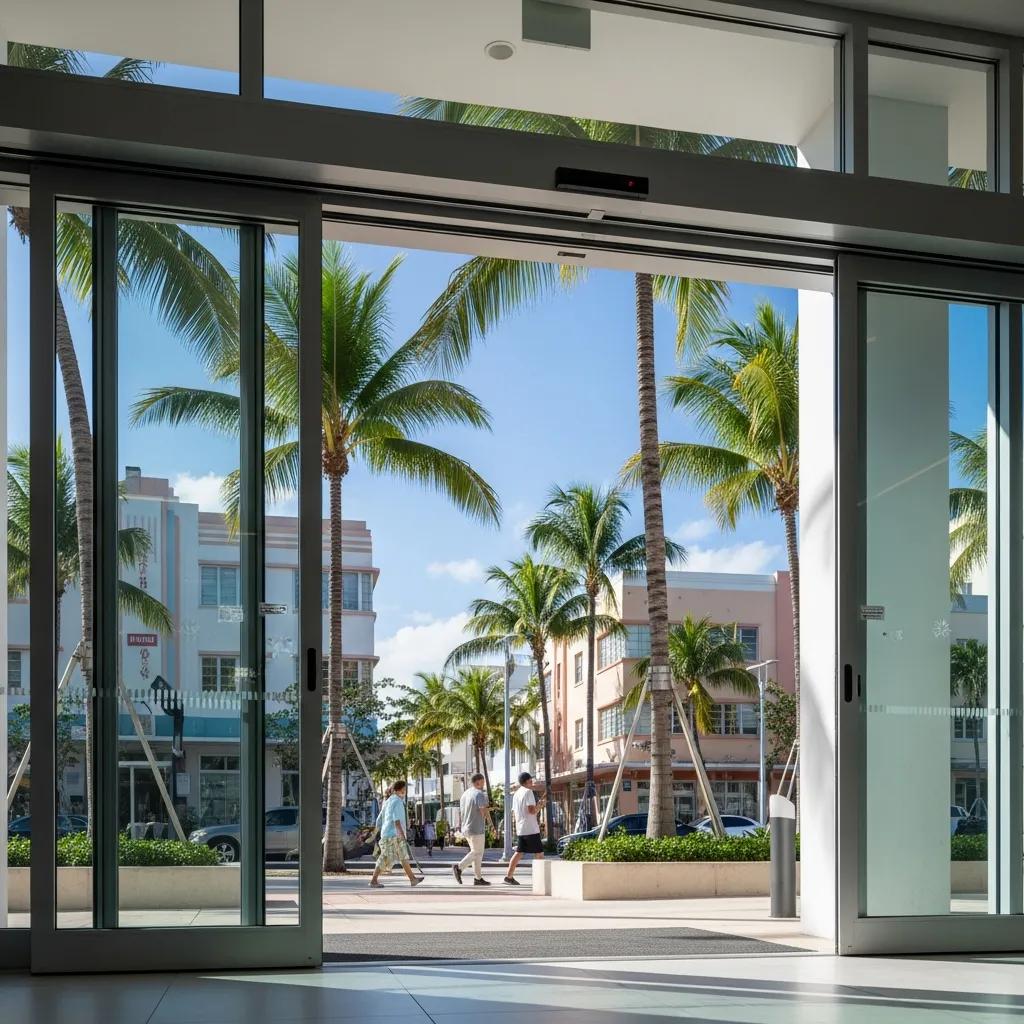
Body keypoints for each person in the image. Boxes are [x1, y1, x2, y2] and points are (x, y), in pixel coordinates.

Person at [369, 780, 423, 888]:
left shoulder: (388, 801)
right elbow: (396, 820)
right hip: (394, 834)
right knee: (385, 857)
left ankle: (413, 879)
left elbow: (379, 819)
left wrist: (378, 830)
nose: (405, 791)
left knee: (403, 856)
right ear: (401, 789)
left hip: (388, 833)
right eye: (404, 789)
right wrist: (402, 833)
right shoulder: (397, 801)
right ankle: (373, 880)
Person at [505, 771, 544, 886]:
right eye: (531, 781)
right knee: (539, 853)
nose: (532, 783)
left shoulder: (517, 793)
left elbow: (516, 812)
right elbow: (531, 811)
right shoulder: (528, 792)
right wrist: (540, 806)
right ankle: (540, 878)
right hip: (531, 828)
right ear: (527, 781)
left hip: (521, 828)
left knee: (519, 853)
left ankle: (509, 876)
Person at [453, 773, 491, 886]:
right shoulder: (479, 794)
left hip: (466, 827)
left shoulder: (465, 793)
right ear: (478, 782)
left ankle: (478, 878)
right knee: (477, 852)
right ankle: (459, 867)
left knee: (477, 854)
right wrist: (489, 810)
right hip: (476, 827)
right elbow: (483, 811)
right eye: (483, 782)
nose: (483, 784)